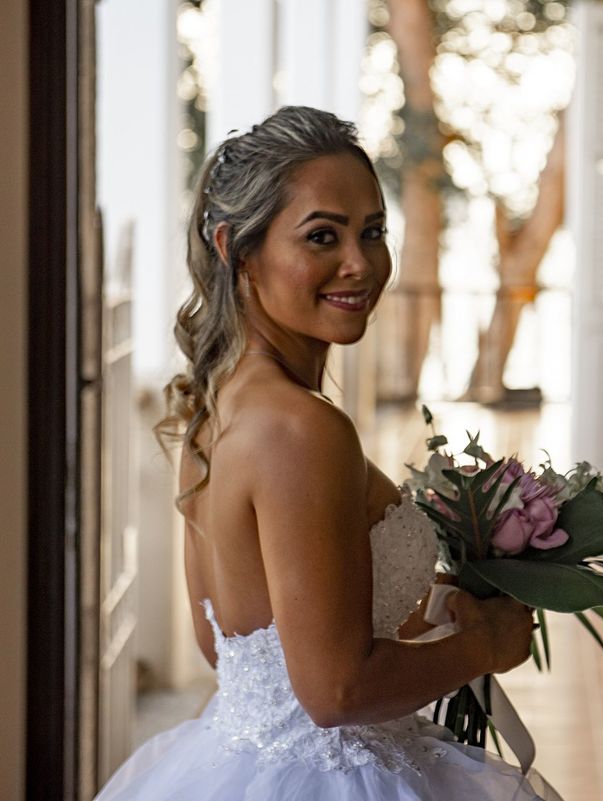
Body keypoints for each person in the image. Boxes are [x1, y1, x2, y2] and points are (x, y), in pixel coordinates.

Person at [95, 106, 556, 801]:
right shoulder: (303, 429)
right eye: (322, 236)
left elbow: (234, 644)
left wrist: (432, 604)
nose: (359, 263)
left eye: (373, 231)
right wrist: (486, 642)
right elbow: (337, 689)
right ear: (234, 247)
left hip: (237, 754)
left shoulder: (213, 406)